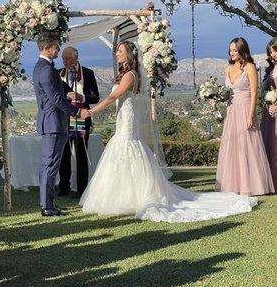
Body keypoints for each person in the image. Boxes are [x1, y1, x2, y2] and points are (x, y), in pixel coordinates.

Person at [79, 41, 258, 223]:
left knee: (127, 147)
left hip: (127, 118)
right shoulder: (124, 73)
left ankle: (132, 197)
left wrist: (92, 111)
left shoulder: (131, 75)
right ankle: (122, 195)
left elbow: (113, 96)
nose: (117, 53)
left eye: (120, 51)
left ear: (129, 55)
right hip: (122, 117)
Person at [32, 33, 87, 217]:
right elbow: (55, 99)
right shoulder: (46, 69)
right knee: (50, 166)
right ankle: (47, 207)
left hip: (51, 123)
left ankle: (47, 203)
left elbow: (58, 88)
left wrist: (70, 92)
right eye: (56, 47)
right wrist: (78, 112)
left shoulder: (43, 66)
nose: (58, 49)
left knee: (48, 166)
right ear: (47, 48)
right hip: (54, 123)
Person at [215, 37, 274, 196]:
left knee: (247, 146)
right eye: (230, 50)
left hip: (245, 109)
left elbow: (254, 93)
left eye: (235, 50)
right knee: (232, 146)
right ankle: (233, 185)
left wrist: (250, 116)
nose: (232, 53)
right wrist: (217, 97)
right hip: (232, 110)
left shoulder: (250, 67)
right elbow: (228, 92)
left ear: (242, 50)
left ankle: (253, 185)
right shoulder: (228, 69)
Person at [58, 46, 100, 196]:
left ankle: (82, 189)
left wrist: (81, 97)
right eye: (63, 58)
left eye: (68, 58)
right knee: (64, 153)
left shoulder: (87, 73)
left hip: (81, 117)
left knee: (81, 152)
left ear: (76, 58)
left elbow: (96, 97)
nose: (65, 61)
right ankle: (64, 187)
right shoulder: (58, 74)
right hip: (64, 118)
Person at [260, 38, 277, 192]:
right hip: (268, 115)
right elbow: (264, 93)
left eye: (275, 50)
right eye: (271, 52)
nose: (273, 54)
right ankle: (269, 183)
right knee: (268, 147)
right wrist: (269, 104)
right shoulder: (269, 71)